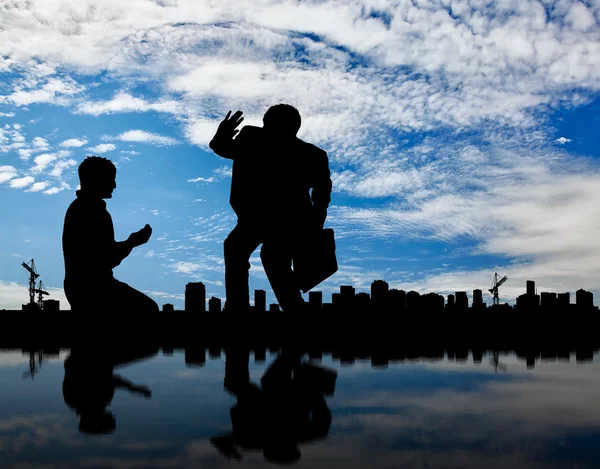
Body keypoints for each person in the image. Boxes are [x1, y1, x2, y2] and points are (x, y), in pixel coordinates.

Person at [209, 104, 332, 312]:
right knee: (253, 253)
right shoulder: (254, 139)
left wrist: (314, 227)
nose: (266, 125)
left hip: (283, 219)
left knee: (262, 254)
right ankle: (278, 308)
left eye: (271, 122)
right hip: (262, 217)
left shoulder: (308, 154)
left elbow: (322, 194)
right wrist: (223, 134)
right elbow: (223, 148)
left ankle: (249, 307)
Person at [62, 156, 158, 313]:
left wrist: (130, 242)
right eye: (110, 179)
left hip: (81, 287)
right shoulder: (92, 211)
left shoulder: (81, 208)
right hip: (94, 288)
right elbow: (105, 258)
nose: (114, 185)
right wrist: (132, 242)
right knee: (148, 309)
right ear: (96, 180)